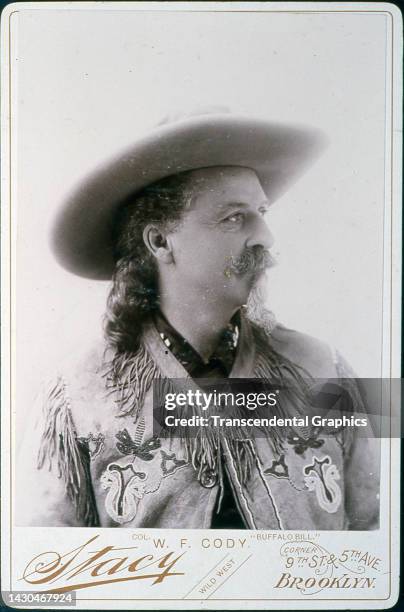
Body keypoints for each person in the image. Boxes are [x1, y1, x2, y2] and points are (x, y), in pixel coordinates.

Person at [17, 112, 379, 529]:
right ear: (160, 241)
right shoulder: (77, 396)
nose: (266, 237)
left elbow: (376, 535)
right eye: (234, 217)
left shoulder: (324, 369)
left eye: (262, 212)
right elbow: (44, 564)